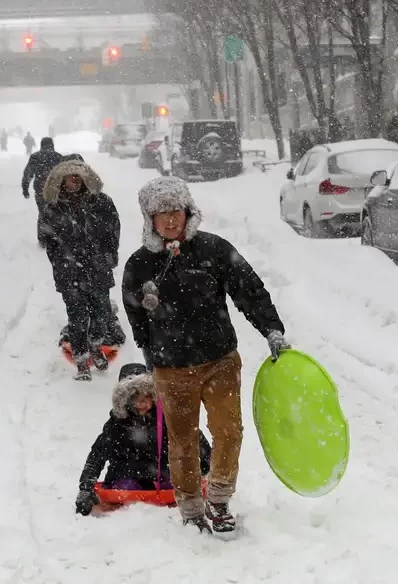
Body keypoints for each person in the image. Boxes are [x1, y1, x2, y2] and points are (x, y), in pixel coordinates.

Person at [121, 177, 290, 535]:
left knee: (229, 432)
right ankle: (191, 508)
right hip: (172, 368)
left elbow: (250, 290)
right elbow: (134, 312)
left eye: (176, 212)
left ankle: (219, 499)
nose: (170, 221)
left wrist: (272, 329)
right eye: (161, 214)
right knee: (182, 440)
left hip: (220, 360)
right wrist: (151, 352)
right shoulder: (140, 264)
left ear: (188, 212)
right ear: (150, 219)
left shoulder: (213, 249)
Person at [76, 363, 213, 516]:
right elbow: (98, 454)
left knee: (177, 485)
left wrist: (207, 466)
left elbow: (192, 437)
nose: (142, 404)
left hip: (162, 476)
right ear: (125, 400)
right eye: (136, 398)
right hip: (126, 477)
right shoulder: (117, 424)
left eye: (147, 397)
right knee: (126, 488)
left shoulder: (165, 417)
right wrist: (86, 487)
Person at [38, 156, 124, 380]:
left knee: (102, 313)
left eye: (77, 177)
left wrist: (109, 256)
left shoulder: (102, 202)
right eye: (69, 178)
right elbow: (49, 241)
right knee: (77, 317)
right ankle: (81, 361)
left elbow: (114, 230)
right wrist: (61, 264)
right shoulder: (53, 208)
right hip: (70, 273)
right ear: (62, 180)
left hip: (98, 269)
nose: (73, 181)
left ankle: (96, 347)